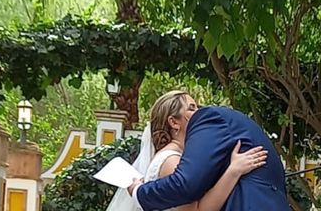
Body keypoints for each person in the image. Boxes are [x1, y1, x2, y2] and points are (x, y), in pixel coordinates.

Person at [106, 90, 268, 211]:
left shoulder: (178, 157)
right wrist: (234, 171)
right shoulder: (171, 160)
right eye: (191, 109)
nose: (200, 114)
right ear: (174, 122)